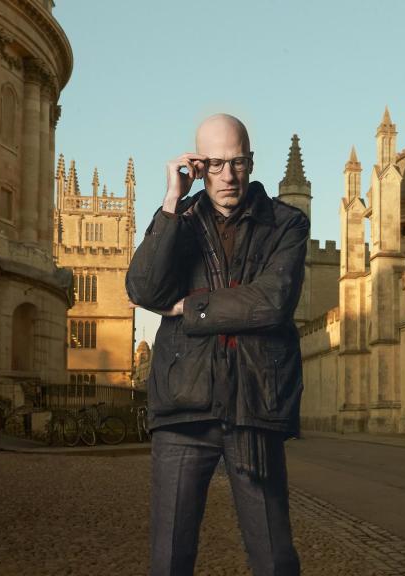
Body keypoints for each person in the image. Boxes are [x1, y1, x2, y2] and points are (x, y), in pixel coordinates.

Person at [126, 113, 308, 575]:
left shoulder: (286, 223)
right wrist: (170, 200)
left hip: (254, 404)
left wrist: (190, 308)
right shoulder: (178, 221)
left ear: (251, 161)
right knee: (170, 558)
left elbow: (271, 302)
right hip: (185, 406)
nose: (228, 176)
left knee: (274, 557)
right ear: (198, 166)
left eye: (238, 162)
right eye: (216, 164)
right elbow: (144, 291)